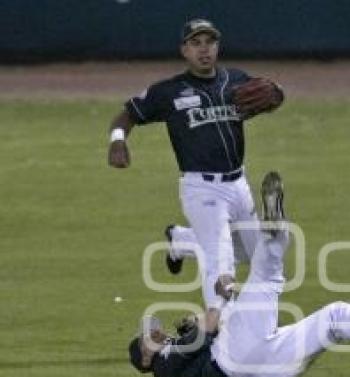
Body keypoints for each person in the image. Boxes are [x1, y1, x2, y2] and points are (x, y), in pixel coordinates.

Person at [127, 171, 350, 377]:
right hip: (232, 358)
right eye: (149, 337)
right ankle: (272, 229)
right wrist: (217, 303)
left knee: (334, 317)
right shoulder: (164, 364)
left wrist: (201, 321)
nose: (155, 330)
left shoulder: (169, 372)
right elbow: (210, 324)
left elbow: (205, 332)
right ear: (145, 358)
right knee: (265, 273)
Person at [107, 17, 285, 322]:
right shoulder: (168, 92)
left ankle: (181, 241)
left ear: (217, 46)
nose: (204, 49)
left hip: (238, 184)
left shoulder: (236, 80)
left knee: (256, 255)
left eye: (210, 42)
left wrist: (277, 94)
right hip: (202, 189)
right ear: (184, 51)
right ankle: (219, 327)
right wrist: (118, 141)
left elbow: (271, 95)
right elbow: (126, 115)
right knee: (221, 261)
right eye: (196, 43)